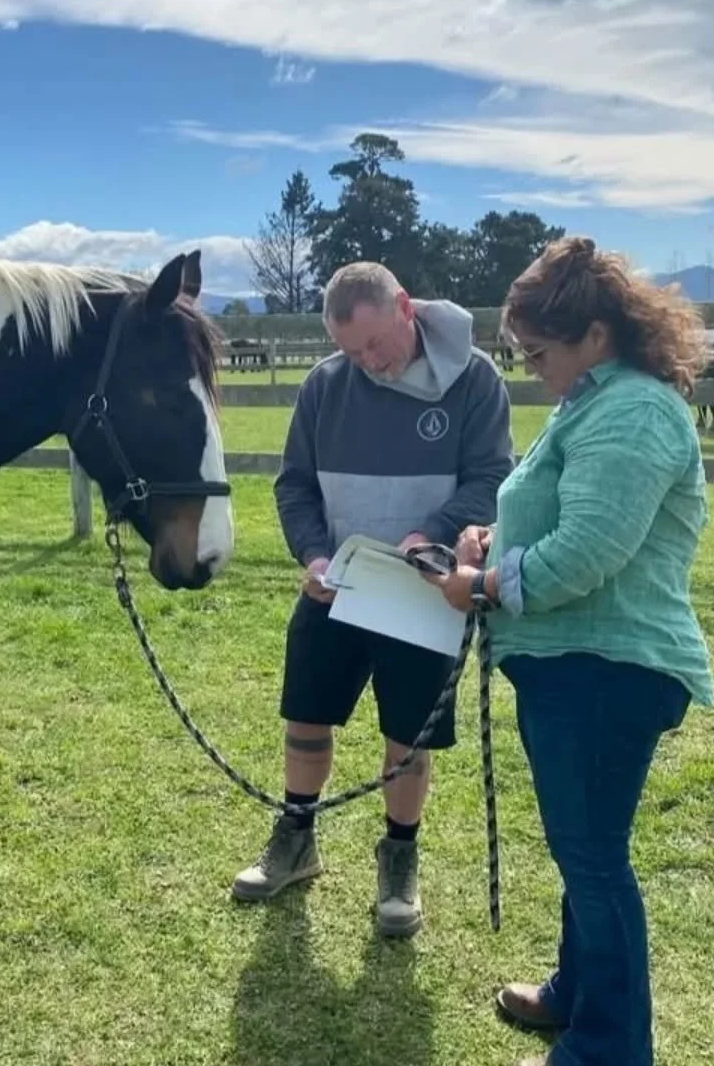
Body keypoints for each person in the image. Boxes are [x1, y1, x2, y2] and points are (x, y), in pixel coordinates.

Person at [427, 237, 714, 1066]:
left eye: (539, 352)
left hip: (607, 669)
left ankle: (607, 1049)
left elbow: (589, 550)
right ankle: (577, 995)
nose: (532, 369)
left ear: (593, 334)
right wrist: (492, 535)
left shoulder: (631, 411)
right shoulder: (596, 400)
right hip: (582, 665)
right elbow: (559, 516)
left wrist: (480, 587)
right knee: (583, 844)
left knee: (592, 857)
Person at [230, 261, 515, 938]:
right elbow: (294, 485)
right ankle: (296, 840)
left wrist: (437, 533)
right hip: (341, 586)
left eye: (375, 345)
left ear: (406, 308)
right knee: (305, 718)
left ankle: (399, 862)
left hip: (423, 592)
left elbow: (492, 476)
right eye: (351, 350)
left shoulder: (476, 379)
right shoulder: (326, 384)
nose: (368, 363)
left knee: (405, 738)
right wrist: (313, 554)